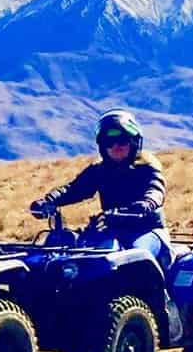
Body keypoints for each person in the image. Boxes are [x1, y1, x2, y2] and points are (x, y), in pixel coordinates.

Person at [33, 109, 169, 256]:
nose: (116, 146)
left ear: (134, 141)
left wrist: (147, 203)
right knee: (64, 249)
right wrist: (49, 201)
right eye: (109, 142)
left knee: (136, 256)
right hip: (110, 230)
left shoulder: (146, 165)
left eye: (122, 140)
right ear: (102, 146)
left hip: (146, 230)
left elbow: (155, 189)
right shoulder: (99, 169)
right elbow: (74, 190)